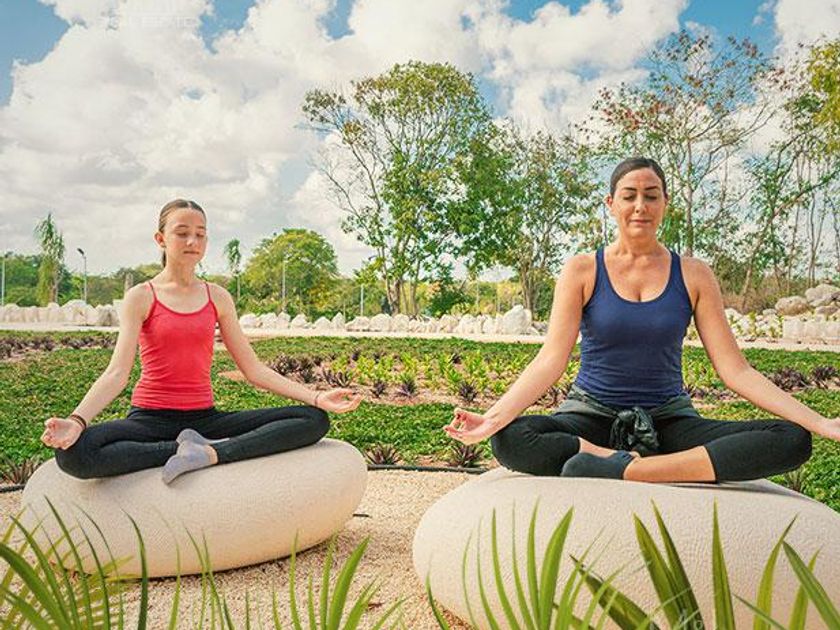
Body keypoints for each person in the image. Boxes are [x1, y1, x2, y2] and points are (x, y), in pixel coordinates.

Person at [445, 157, 840, 483]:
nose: (640, 206)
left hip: (669, 421)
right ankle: (616, 460)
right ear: (611, 203)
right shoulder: (582, 270)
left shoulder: (694, 274)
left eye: (651, 196)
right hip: (590, 418)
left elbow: (735, 370)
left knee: (791, 438)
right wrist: (493, 418)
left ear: (665, 202)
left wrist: (821, 423)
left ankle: (632, 470)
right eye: (629, 196)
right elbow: (550, 360)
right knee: (512, 438)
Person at [41, 199, 361, 484]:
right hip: (149, 419)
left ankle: (211, 452)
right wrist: (76, 421)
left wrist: (316, 397)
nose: (192, 241)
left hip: (205, 420)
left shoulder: (217, 297)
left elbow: (253, 369)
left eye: (200, 234)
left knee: (312, 419)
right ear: (161, 239)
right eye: (182, 233)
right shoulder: (141, 296)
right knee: (74, 454)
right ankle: (182, 450)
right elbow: (116, 374)